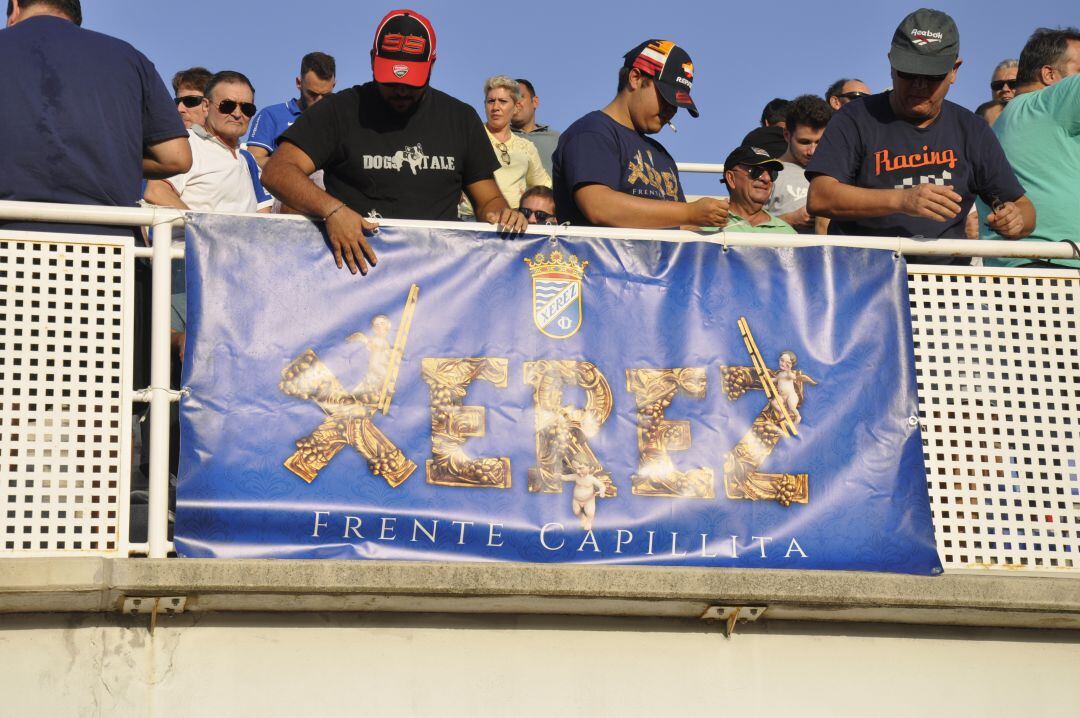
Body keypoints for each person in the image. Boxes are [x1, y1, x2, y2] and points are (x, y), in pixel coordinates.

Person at [262, 9, 526, 276]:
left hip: (439, 281)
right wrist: (332, 210)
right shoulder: (339, 110)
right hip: (355, 273)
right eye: (390, 80)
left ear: (431, 65)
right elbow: (277, 171)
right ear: (372, 59)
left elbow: (487, 199)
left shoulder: (460, 118)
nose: (401, 90)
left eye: (412, 82)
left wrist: (502, 213)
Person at [806, 8, 1035, 265]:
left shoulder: (971, 129)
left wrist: (1015, 220)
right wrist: (903, 199)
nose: (919, 85)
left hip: (944, 288)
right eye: (909, 72)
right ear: (891, 64)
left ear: (954, 70)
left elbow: (1023, 208)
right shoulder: (854, 118)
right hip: (864, 277)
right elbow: (819, 196)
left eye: (932, 75)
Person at [0, 0, 191, 236]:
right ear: (74, 15)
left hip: (8, 238)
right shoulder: (129, 58)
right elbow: (177, 157)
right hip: (109, 250)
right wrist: (109, 157)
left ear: (15, 7)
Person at [552, 39, 729, 230]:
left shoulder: (661, 154)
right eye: (666, 97)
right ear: (635, 78)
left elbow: (682, 225)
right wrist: (690, 213)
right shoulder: (592, 132)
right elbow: (598, 206)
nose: (671, 109)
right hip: (602, 259)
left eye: (677, 104)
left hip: (659, 259)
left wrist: (708, 222)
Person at [985, 27, 1080, 269]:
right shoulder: (1051, 102)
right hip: (1053, 268)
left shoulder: (1004, 122)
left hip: (1024, 271)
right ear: (1049, 75)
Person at [144, 71, 272, 215]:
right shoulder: (188, 144)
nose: (237, 114)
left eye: (247, 108)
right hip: (194, 237)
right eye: (227, 106)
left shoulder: (248, 159)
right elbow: (156, 192)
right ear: (206, 106)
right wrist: (201, 229)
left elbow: (264, 214)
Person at [246, 52, 336, 169]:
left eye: (325, 95)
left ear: (333, 85)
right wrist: (296, 166)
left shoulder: (340, 118)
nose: (319, 101)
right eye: (312, 94)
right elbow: (253, 161)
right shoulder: (271, 115)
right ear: (299, 83)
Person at [764, 95, 833, 233]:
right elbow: (744, 226)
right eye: (804, 142)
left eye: (819, 142)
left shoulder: (839, 172)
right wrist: (789, 220)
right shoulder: (765, 174)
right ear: (787, 135)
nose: (812, 151)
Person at [480, 76, 550, 209]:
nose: (495, 107)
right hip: (472, 220)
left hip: (516, 220)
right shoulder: (471, 136)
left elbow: (543, 188)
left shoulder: (526, 147)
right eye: (490, 101)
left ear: (516, 107)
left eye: (503, 101)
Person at [719, 145, 795, 234]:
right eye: (756, 171)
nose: (767, 178)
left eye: (771, 173)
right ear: (731, 178)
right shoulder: (707, 223)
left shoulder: (787, 233)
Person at [511, 78, 560, 176]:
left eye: (520, 97)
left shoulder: (557, 139)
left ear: (535, 102)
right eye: (511, 99)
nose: (516, 103)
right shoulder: (495, 138)